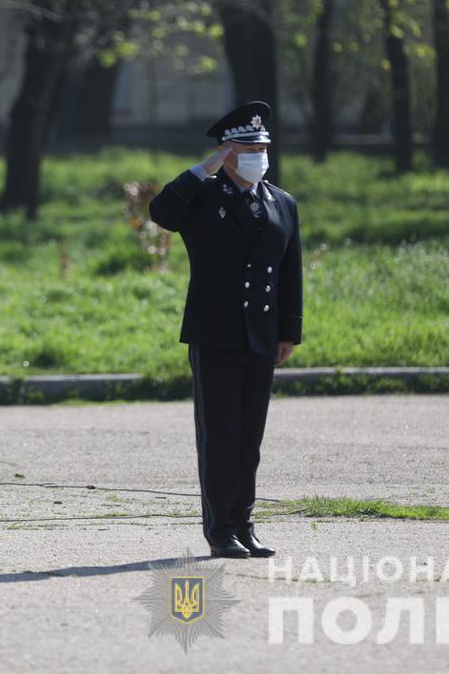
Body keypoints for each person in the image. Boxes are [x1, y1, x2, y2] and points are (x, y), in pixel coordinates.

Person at [149, 101, 302, 559]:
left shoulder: (282, 203)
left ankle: (245, 523)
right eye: (247, 146)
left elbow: (290, 272)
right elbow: (162, 213)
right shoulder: (204, 196)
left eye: (262, 145)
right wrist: (202, 169)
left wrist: (288, 332)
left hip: (261, 332)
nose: (258, 153)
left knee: (249, 436)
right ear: (227, 152)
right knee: (219, 433)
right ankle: (220, 530)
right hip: (215, 332)